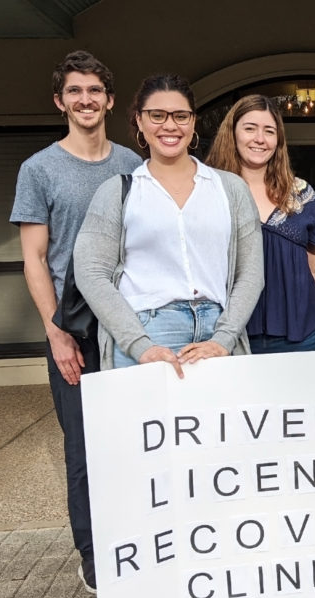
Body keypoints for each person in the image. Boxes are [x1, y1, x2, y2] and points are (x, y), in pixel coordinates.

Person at [10, 50, 141, 593]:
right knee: (84, 445)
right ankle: (93, 553)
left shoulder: (134, 164)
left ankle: (139, 538)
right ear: (60, 101)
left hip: (130, 322)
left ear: (110, 100)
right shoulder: (39, 169)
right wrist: (56, 333)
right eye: (75, 91)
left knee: (135, 438)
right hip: (75, 328)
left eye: (95, 91)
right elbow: (35, 258)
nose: (85, 100)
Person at [74, 74, 263, 376]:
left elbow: (251, 273)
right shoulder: (118, 191)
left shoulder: (230, 189)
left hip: (217, 330)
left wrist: (224, 339)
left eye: (180, 116)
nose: (170, 126)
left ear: (193, 121)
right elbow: (91, 273)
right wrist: (139, 344)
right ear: (139, 120)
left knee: (216, 424)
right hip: (147, 332)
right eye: (157, 115)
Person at [205, 94, 315, 353]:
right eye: (250, 128)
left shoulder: (301, 195)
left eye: (269, 131)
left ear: (279, 140)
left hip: (302, 337)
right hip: (230, 339)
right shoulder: (208, 190)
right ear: (232, 133)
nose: (260, 139)